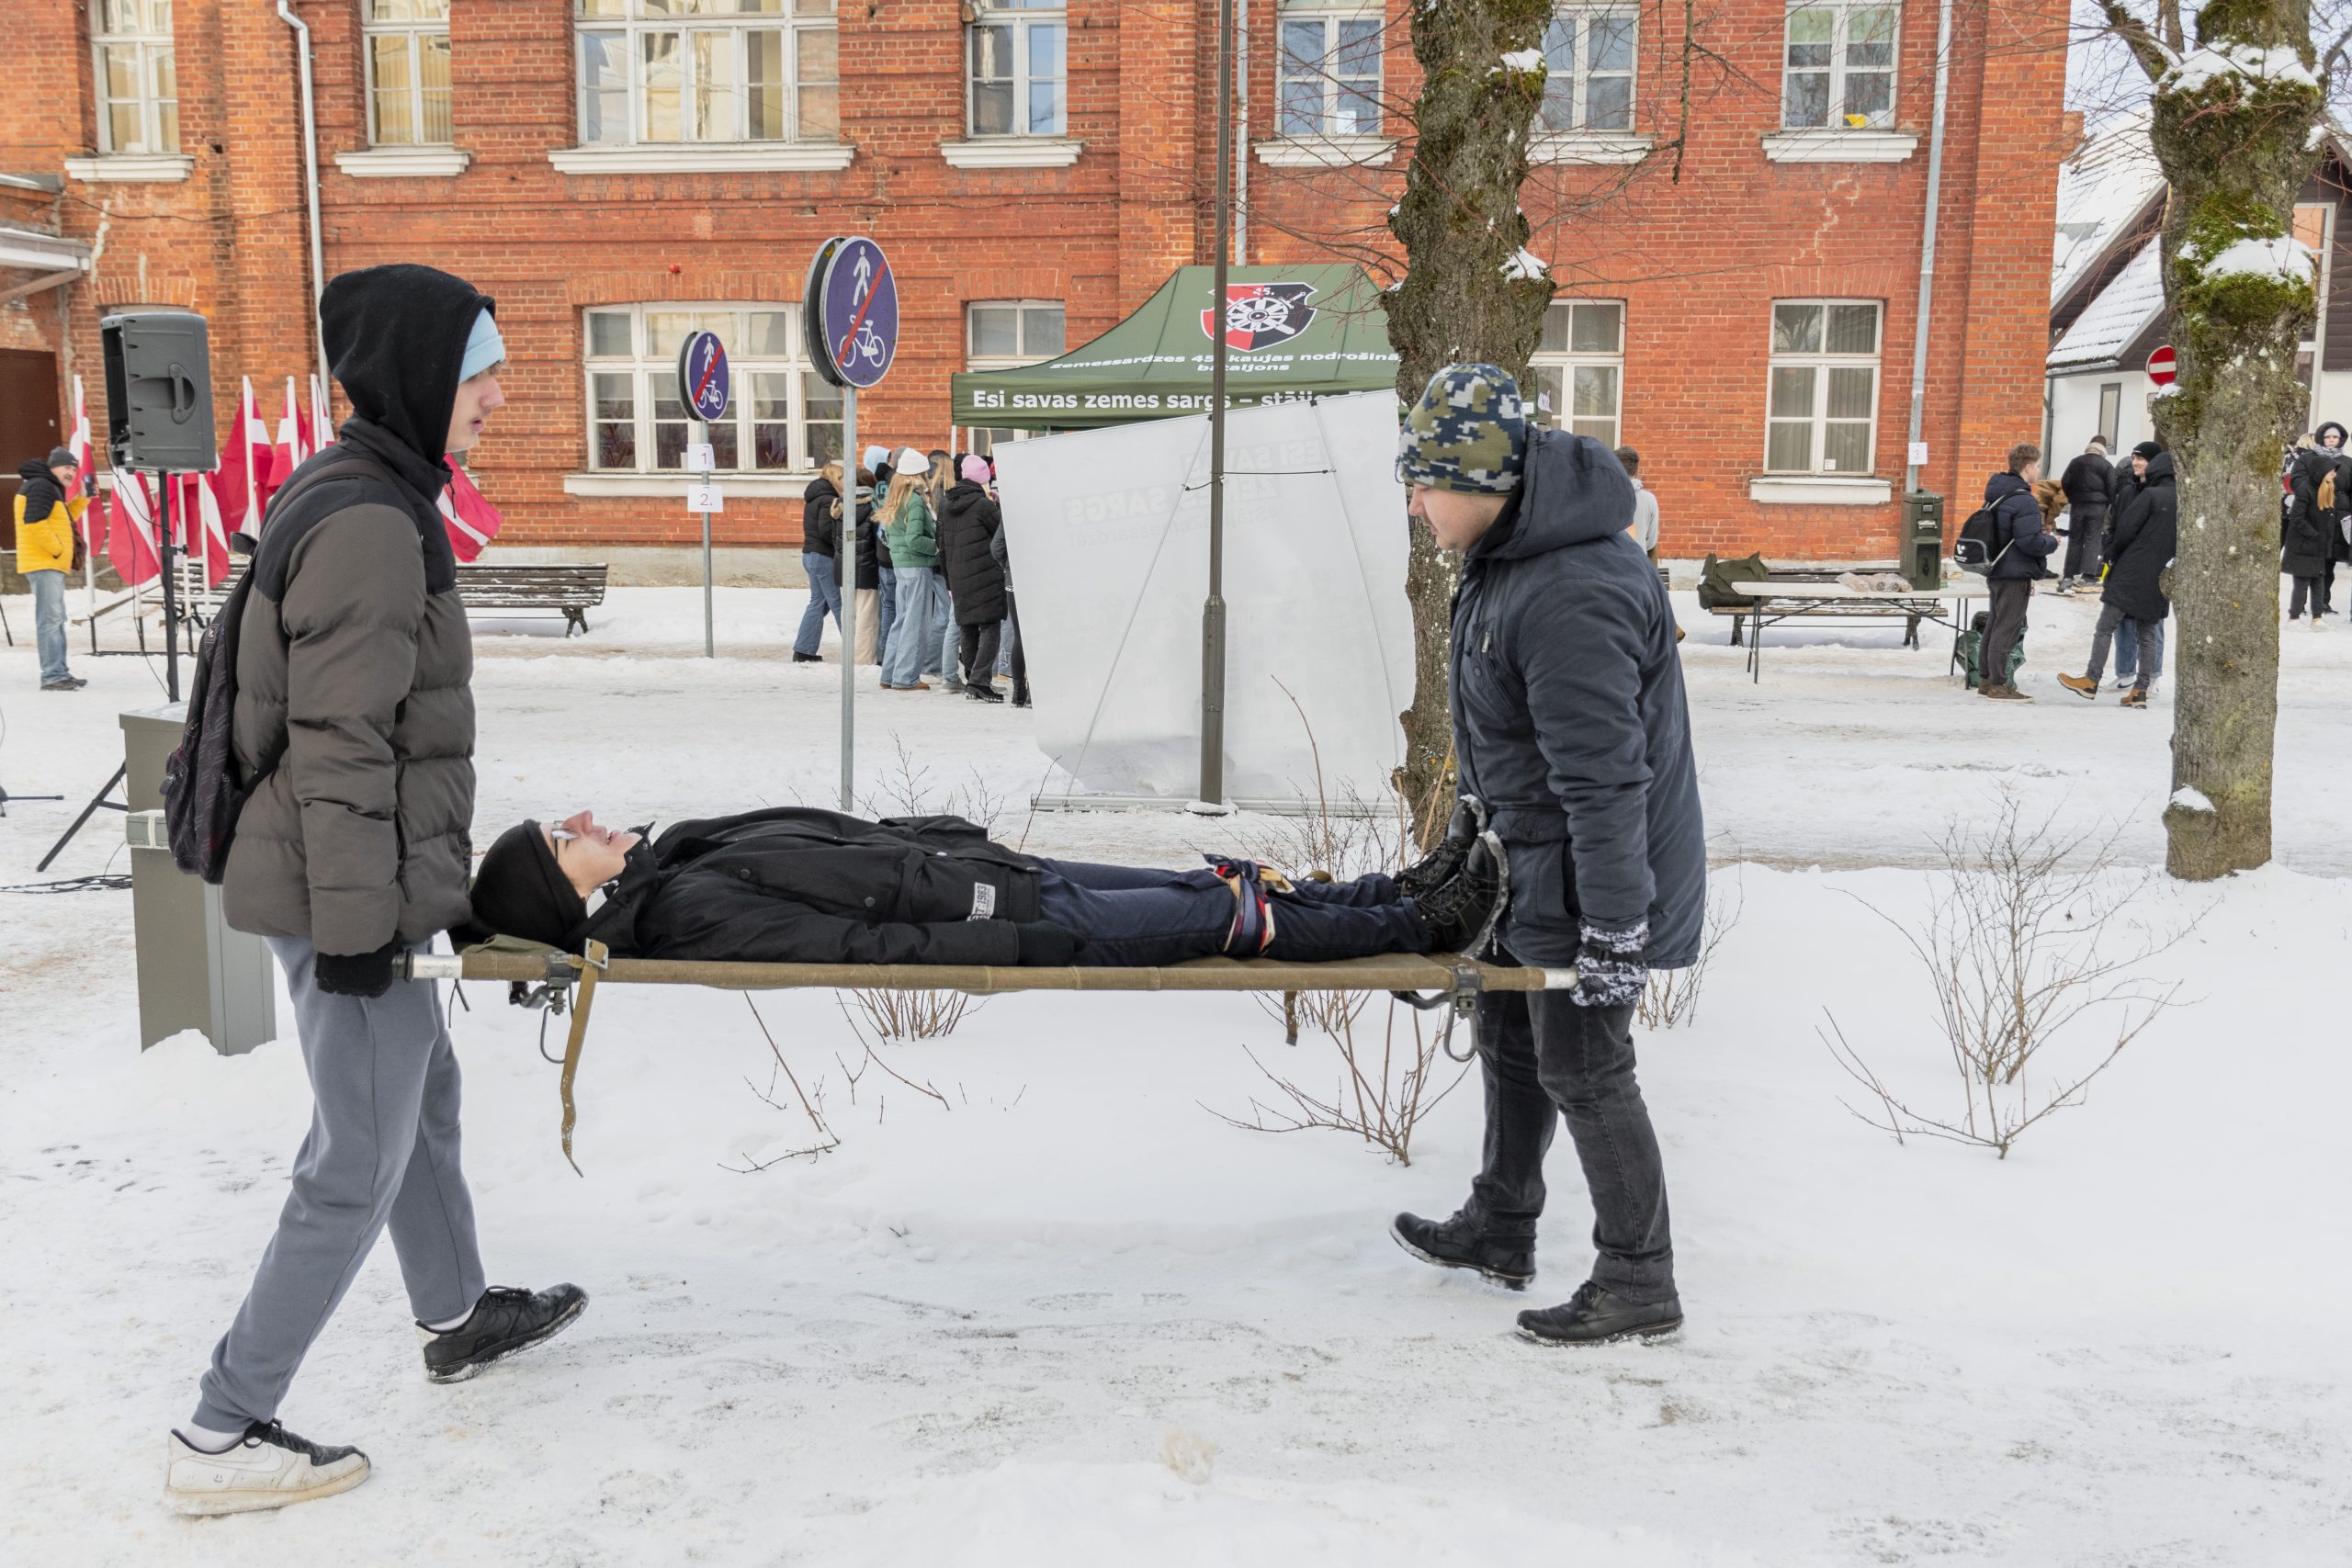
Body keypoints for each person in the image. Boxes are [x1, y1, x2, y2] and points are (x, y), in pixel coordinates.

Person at [172, 265, 584, 1517]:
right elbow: (341, 746)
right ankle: (220, 1429)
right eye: (479, 373)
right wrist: (360, 932)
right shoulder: (369, 523)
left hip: (352, 879)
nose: (499, 396)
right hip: (334, 888)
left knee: (422, 1092)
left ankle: (456, 1311)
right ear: (415, 375)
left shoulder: (372, 488)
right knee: (355, 1153)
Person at [1382, 365, 1704, 1348]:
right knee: (1512, 1041)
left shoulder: (1570, 588)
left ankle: (1639, 1278)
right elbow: (1506, 747)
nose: (1414, 505)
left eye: (1423, 485)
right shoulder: (1510, 558)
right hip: (1529, 866)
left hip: (1589, 876)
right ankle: (1501, 1223)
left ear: (1479, 482)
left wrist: (1614, 927)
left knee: (1586, 1067)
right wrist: (1464, 853)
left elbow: (1605, 781)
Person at [464, 807, 1503, 968]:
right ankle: (1426, 924)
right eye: (565, 838)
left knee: (1204, 881)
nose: (586, 818)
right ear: (568, 894)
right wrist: (1010, 944)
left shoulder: (673, 859)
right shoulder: (686, 911)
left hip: (990, 875)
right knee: (1218, 916)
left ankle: (1395, 892)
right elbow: (856, 948)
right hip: (1006, 917)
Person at [2058, 446, 2176, 708]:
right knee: (2147, 633)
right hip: (2160, 574)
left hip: (2131, 570)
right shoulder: (2183, 500)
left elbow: (2125, 529)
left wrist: (2112, 554)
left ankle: (2091, 680)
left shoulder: (2151, 496)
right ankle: (2140, 690)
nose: (2136, 463)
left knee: (2105, 627)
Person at [1976, 443, 2056, 701]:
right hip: (2014, 572)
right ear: (2028, 467)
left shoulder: (1998, 492)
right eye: (2038, 466)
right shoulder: (2024, 500)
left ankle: (1986, 680)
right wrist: (2052, 542)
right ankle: (1998, 684)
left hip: (1997, 568)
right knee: (2007, 627)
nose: (2039, 471)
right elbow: (2029, 542)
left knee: (1994, 624)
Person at [13, 445, 86, 691]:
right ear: (52, 467)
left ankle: (60, 672)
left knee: (55, 618)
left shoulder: (48, 486)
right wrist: (57, 549)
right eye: (66, 467)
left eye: (74, 469)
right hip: (44, 562)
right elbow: (34, 524)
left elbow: (62, 520)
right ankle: (53, 675)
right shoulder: (41, 486)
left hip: (49, 562)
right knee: (50, 620)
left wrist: (83, 498)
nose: (71, 473)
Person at [940, 453, 1010, 702]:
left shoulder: (946, 504)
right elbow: (1003, 532)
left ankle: (972, 678)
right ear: (983, 478)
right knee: (990, 626)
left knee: (968, 627)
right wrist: (999, 505)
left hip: (957, 574)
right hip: (985, 575)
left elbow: (942, 545)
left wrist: (948, 580)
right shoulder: (983, 506)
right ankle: (980, 682)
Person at [877, 449, 943, 691]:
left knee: (901, 621)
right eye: (925, 472)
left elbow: (892, 536)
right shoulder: (915, 500)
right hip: (917, 566)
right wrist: (937, 548)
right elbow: (914, 539)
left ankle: (889, 674)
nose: (928, 476)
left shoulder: (895, 496)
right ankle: (906, 678)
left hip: (901, 566)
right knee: (917, 624)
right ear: (918, 474)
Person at [987, 457, 1032, 708]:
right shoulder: (1045, 508)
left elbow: (996, 546)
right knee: (1037, 635)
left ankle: (1018, 693)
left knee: (1020, 636)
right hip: (1040, 579)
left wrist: (1008, 566)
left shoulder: (1012, 510)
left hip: (1014, 577)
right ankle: (1034, 692)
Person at [791, 460, 845, 662]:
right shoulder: (827, 499)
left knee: (818, 603)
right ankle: (855, 650)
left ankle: (803, 650)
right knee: (838, 603)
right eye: (843, 478)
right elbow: (826, 530)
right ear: (836, 479)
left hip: (811, 555)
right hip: (823, 557)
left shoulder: (814, 497)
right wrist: (841, 544)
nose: (845, 482)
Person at [2284, 426, 2336, 626]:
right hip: (2304, 544)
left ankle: (2317, 617)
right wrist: (2313, 535)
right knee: (2302, 582)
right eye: (2331, 471)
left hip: (2318, 546)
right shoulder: (2306, 489)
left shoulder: (2328, 489)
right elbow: (2297, 517)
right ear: (2321, 471)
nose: (2334, 474)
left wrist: (2325, 539)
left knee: (2318, 581)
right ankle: (2294, 617)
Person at [2055, 435, 2113, 594]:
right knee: (2093, 538)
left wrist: (2072, 497)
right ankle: (2088, 575)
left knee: (2075, 538)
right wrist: (2108, 502)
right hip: (2097, 507)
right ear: (2103, 448)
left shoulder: (2075, 462)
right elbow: (2112, 486)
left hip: (2078, 506)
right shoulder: (2106, 465)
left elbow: (2065, 481)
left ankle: (2069, 573)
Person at [863, 444, 897, 664]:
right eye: (888, 459)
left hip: (880, 554)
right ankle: (888, 654)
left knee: (886, 605)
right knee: (892, 606)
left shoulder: (872, 488)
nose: (892, 463)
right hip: (890, 553)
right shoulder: (886, 487)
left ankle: (884, 654)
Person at [1616, 446, 1659, 563]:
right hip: (1638, 564)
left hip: (1610, 565)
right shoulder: (1649, 499)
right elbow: (1651, 542)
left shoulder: (1603, 497)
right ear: (1636, 472)